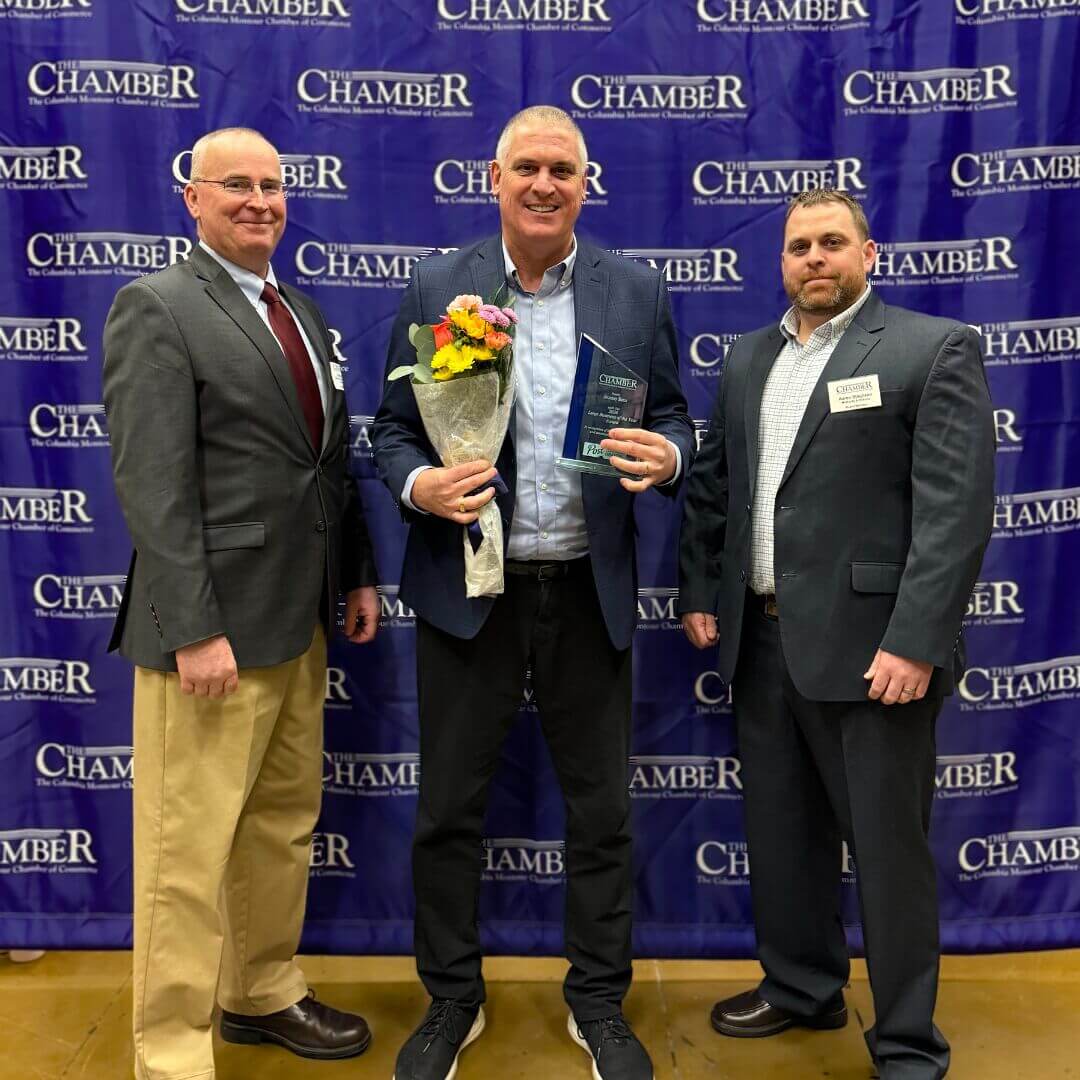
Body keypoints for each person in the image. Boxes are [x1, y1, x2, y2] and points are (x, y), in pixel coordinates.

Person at [373, 105, 693, 1080]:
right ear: (495, 180)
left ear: (585, 184)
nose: (544, 184)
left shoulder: (633, 291)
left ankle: (597, 1002)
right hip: (472, 590)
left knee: (602, 814)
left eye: (562, 168)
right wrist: (417, 485)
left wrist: (669, 456)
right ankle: (451, 1001)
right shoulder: (440, 286)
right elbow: (391, 431)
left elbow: (674, 411)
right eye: (527, 168)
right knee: (446, 813)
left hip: (587, 592)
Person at [679, 189, 994, 1080]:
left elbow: (954, 514)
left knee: (888, 856)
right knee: (783, 838)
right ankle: (800, 987)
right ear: (779, 263)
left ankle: (904, 1040)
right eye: (796, 247)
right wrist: (705, 587)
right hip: (762, 640)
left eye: (831, 243)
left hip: (877, 653)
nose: (813, 259)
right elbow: (716, 487)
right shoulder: (747, 360)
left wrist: (917, 640)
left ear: (869, 252)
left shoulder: (930, 350)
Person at [102, 127, 379, 1080]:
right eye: (237, 186)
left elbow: (324, 467)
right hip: (211, 635)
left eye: (272, 186)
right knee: (184, 852)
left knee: (279, 822)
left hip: (298, 623)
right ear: (193, 198)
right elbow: (154, 485)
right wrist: (195, 629)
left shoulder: (297, 309)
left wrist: (353, 574)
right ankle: (171, 1052)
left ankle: (259, 989)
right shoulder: (158, 306)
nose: (259, 201)